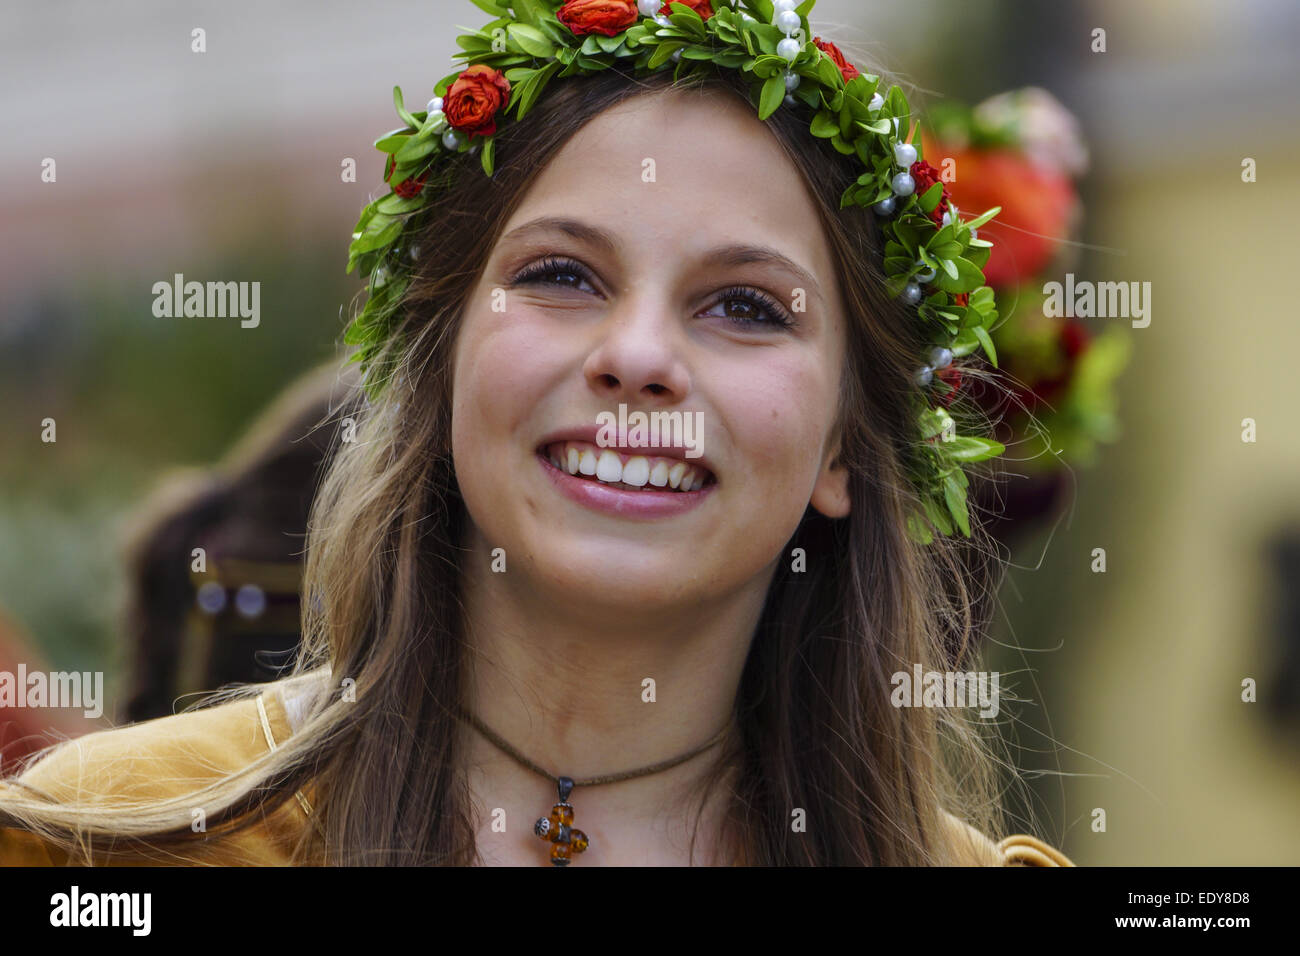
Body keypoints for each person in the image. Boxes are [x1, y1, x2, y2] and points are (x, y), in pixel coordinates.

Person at [0, 0, 1073, 867]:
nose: (639, 353)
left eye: (746, 304)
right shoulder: (102, 845)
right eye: (562, 274)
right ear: (442, 368)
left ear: (842, 447)